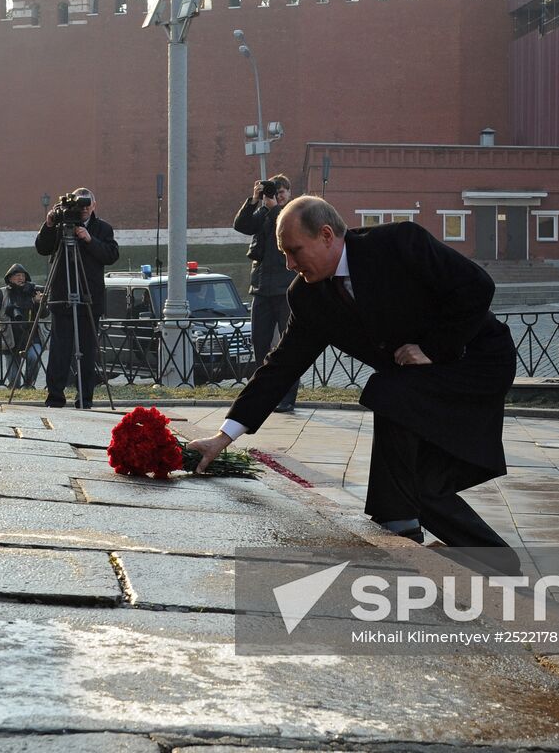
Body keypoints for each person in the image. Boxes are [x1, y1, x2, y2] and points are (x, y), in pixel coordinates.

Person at [189, 196, 520, 572]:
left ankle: (399, 523)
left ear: (326, 235)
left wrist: (432, 347)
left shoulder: (398, 243)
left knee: (389, 393)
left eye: (295, 251)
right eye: (284, 254)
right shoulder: (307, 295)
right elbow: (280, 367)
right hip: (419, 381)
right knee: (421, 486)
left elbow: (477, 286)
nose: (289, 264)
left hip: (476, 359)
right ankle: (490, 557)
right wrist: (222, 438)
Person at [35, 187, 119, 408]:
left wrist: (90, 240)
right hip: (62, 297)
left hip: (89, 298)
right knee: (59, 351)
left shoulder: (102, 229)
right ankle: (55, 397)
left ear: (94, 206)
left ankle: (85, 399)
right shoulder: (61, 226)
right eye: (78, 206)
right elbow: (42, 248)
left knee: (87, 352)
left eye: (86, 206)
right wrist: (50, 225)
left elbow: (111, 255)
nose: (82, 210)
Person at [233, 174, 297, 411]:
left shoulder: (292, 213)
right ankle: (264, 395)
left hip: (286, 289)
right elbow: (241, 226)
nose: (277, 196)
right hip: (261, 288)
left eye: (281, 193)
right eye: (273, 192)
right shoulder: (263, 212)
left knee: (287, 345)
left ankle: (287, 397)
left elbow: (287, 229)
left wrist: (272, 208)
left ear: (289, 194)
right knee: (260, 344)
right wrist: (253, 200)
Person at [0, 263, 41, 389]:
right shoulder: (2, 293)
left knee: (34, 357)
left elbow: (44, 314)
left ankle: (29, 386)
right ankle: (14, 390)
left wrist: (39, 303)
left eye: (22, 275)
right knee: (13, 372)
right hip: (11, 336)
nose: (21, 278)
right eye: (17, 275)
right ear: (10, 278)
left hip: (31, 335)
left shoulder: (32, 293)